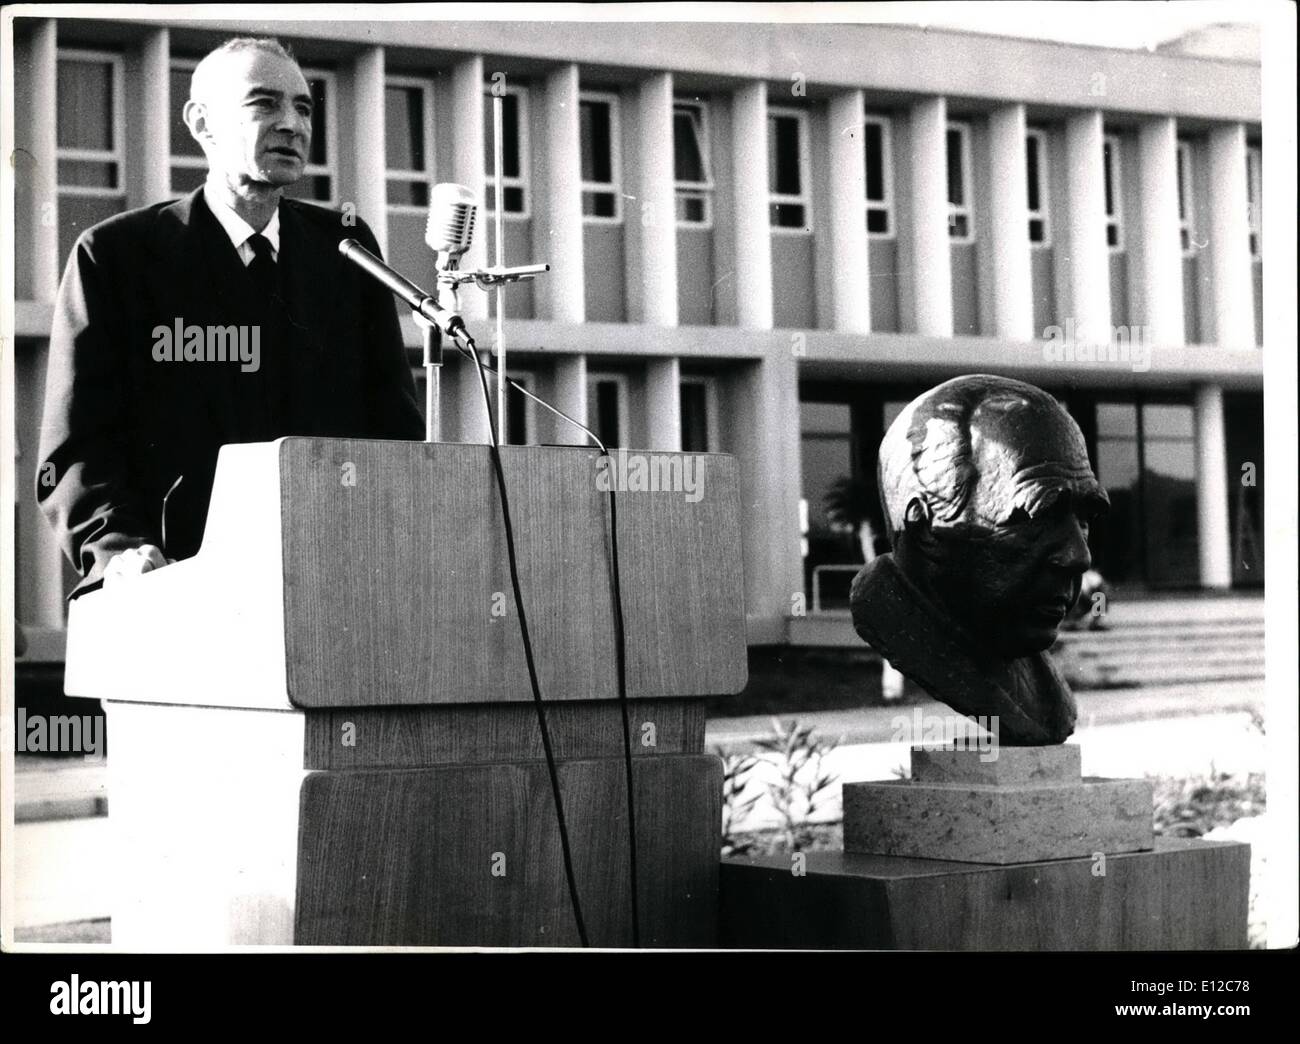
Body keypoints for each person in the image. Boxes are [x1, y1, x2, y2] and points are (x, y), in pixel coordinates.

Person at [37, 37, 422, 597]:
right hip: (177, 592)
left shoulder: (346, 248)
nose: (292, 124)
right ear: (201, 122)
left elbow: (394, 429)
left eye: (304, 107)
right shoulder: (117, 256)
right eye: (264, 104)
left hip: (332, 589)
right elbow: (77, 446)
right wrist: (115, 551)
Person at [850, 375, 1110, 745]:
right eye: (1037, 518)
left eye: (1083, 520)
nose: (1079, 556)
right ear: (922, 525)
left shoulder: (1040, 684)